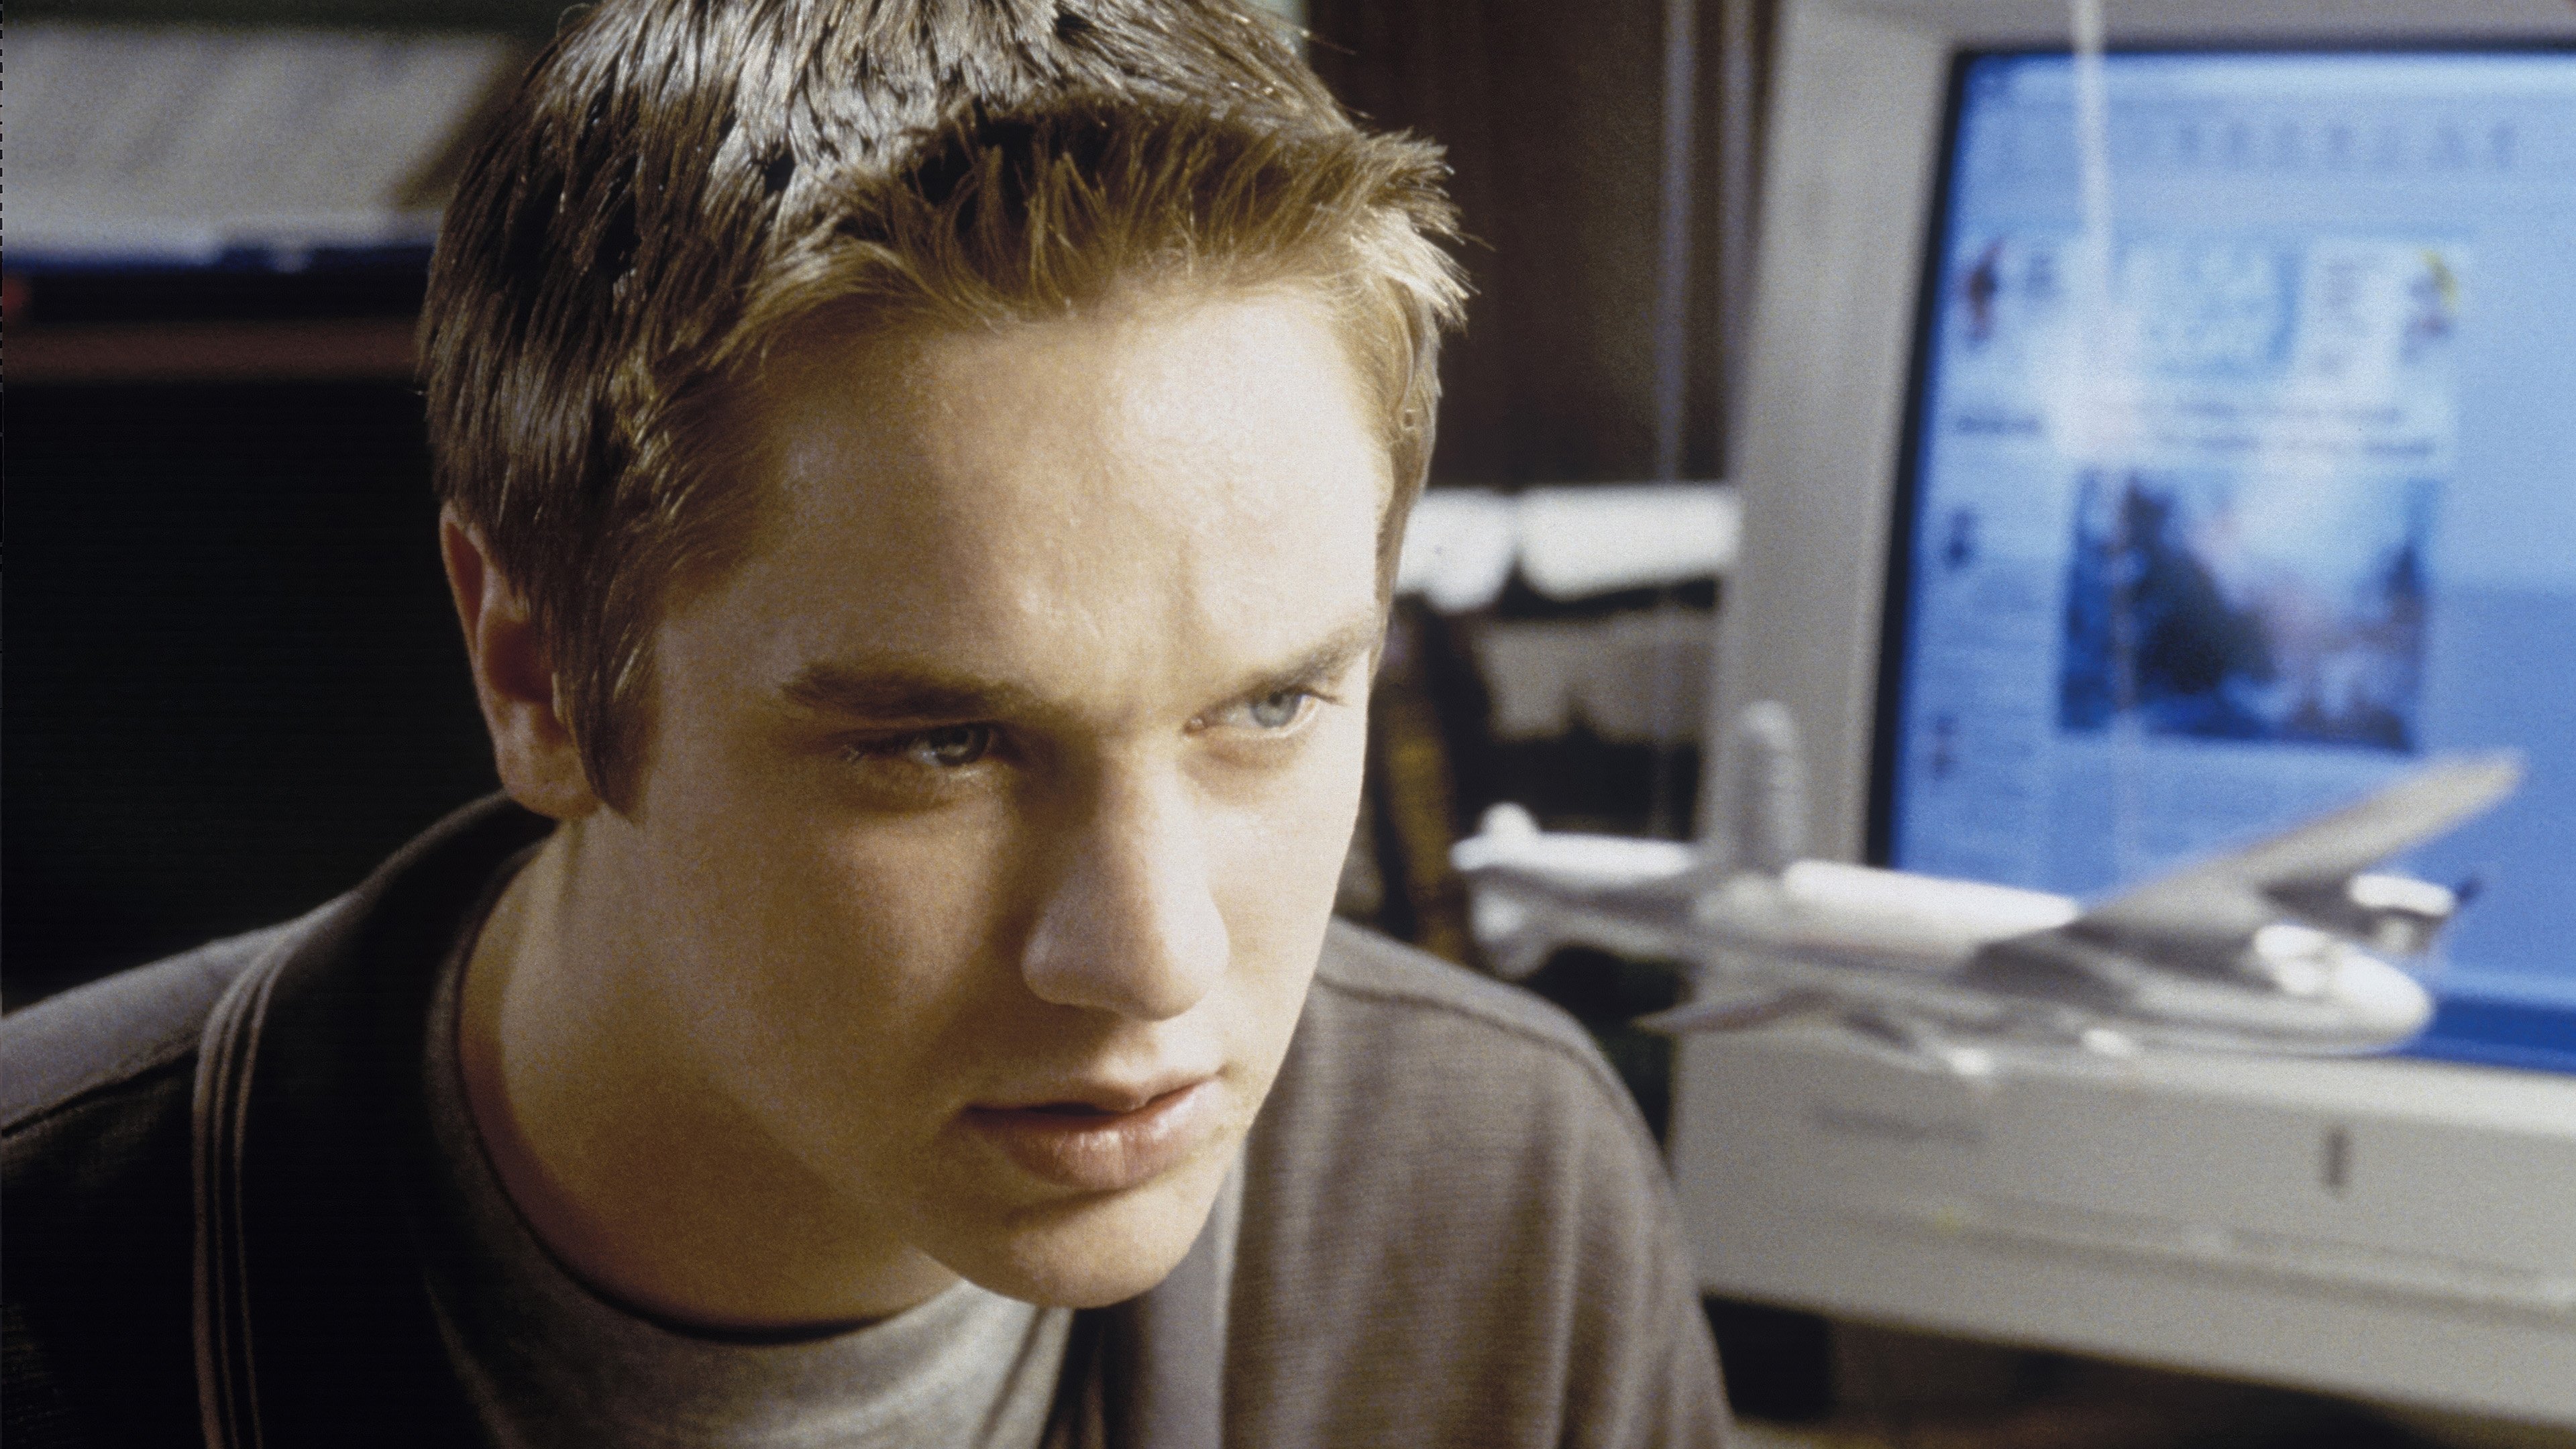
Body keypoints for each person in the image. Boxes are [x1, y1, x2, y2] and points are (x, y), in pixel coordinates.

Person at [1, 1, 1733, 1444]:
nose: (1149, 960)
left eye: (1269, 705)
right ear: (537, 677)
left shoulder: (1506, 1206)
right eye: (942, 747)